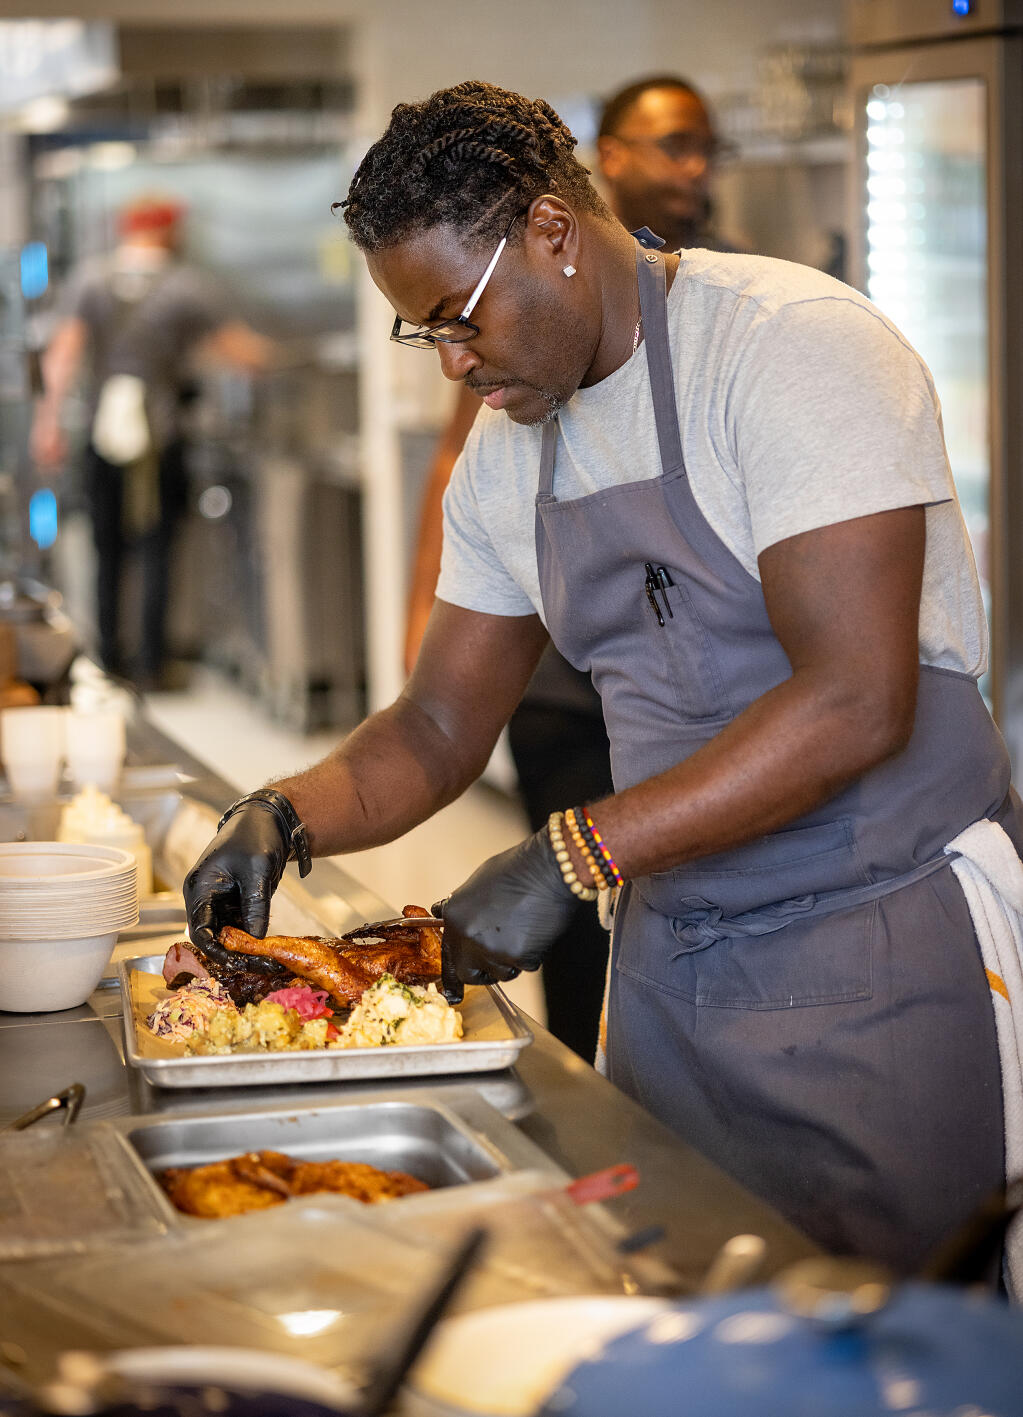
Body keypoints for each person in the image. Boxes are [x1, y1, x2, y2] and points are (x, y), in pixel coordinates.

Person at [184, 81, 1020, 1273]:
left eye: (460, 317)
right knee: (689, 1311)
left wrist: (574, 852)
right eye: (426, 331)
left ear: (556, 233)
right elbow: (434, 722)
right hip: (680, 967)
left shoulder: (789, 350)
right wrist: (281, 814)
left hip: (878, 949)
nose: (455, 362)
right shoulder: (507, 454)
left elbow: (856, 698)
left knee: (893, 1349)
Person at [403, 75, 740, 1061]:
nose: (695, 165)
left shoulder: (742, 319)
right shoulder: (512, 345)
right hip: (561, 685)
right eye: (672, 143)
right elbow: (454, 471)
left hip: (714, 715)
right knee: (592, 957)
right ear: (614, 155)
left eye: (704, 144)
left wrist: (576, 855)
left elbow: (853, 701)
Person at [30, 195, 274, 688]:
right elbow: (241, 353)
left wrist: (47, 421)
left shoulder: (91, 280)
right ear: (169, 233)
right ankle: (151, 665)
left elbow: (63, 355)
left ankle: (105, 660)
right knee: (158, 547)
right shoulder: (187, 286)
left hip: (101, 435)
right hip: (161, 436)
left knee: (106, 548)